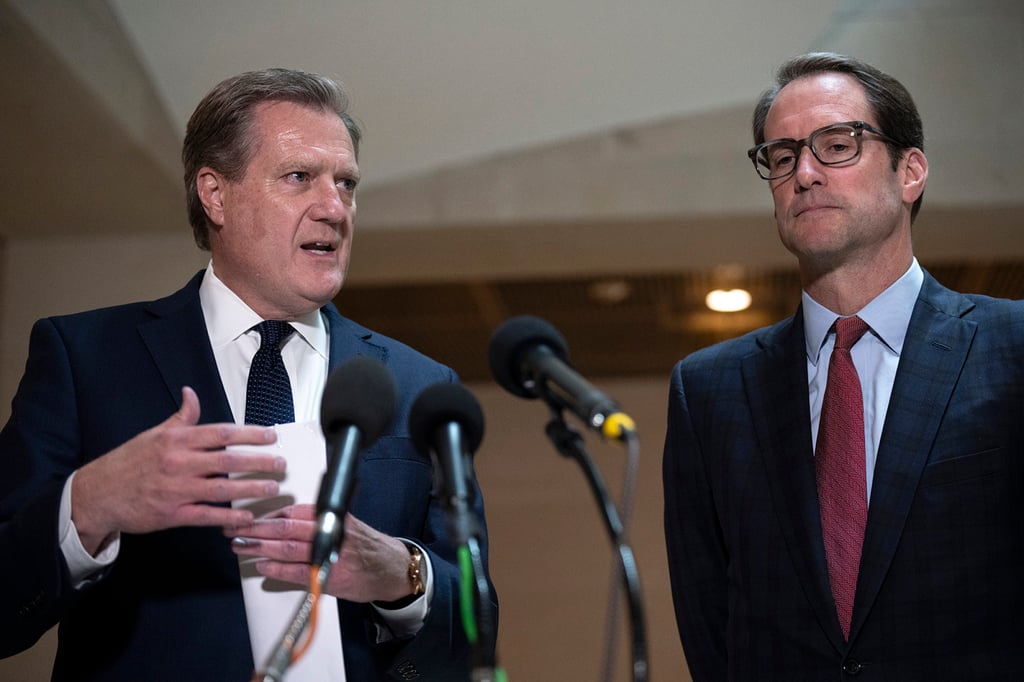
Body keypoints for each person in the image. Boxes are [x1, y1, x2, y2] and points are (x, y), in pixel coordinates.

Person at [0, 68, 495, 681]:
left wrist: (402, 574)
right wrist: (92, 504)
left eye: (346, 183)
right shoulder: (86, 358)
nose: (334, 208)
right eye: (299, 177)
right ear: (215, 195)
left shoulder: (422, 386)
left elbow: (479, 624)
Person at [663, 52, 1024, 681]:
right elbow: (709, 623)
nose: (804, 173)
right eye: (782, 157)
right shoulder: (709, 390)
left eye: (836, 145)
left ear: (910, 171)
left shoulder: (1012, 346)